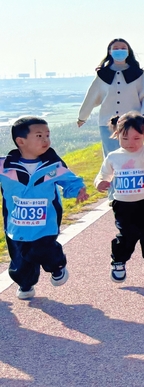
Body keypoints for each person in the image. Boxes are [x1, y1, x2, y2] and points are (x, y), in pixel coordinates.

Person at [1, 117, 89, 300]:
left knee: (44, 250)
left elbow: (70, 181)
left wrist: (78, 190)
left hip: (45, 224)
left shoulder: (53, 166)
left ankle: (57, 267)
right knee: (20, 262)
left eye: (47, 135)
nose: (45, 140)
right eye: (39, 135)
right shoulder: (4, 167)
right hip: (16, 227)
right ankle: (25, 284)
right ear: (21, 141)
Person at [94, 112, 144, 282]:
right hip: (123, 205)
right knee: (126, 234)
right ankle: (118, 261)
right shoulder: (113, 157)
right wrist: (100, 183)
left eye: (136, 138)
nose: (130, 143)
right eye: (125, 138)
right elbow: (102, 175)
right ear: (117, 135)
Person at [77, 39, 144, 156]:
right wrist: (82, 117)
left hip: (133, 124)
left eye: (123, 48)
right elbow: (91, 97)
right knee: (112, 158)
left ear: (128, 51)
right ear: (109, 52)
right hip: (107, 125)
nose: (119, 51)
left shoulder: (138, 75)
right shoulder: (102, 75)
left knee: (134, 156)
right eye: (115, 48)